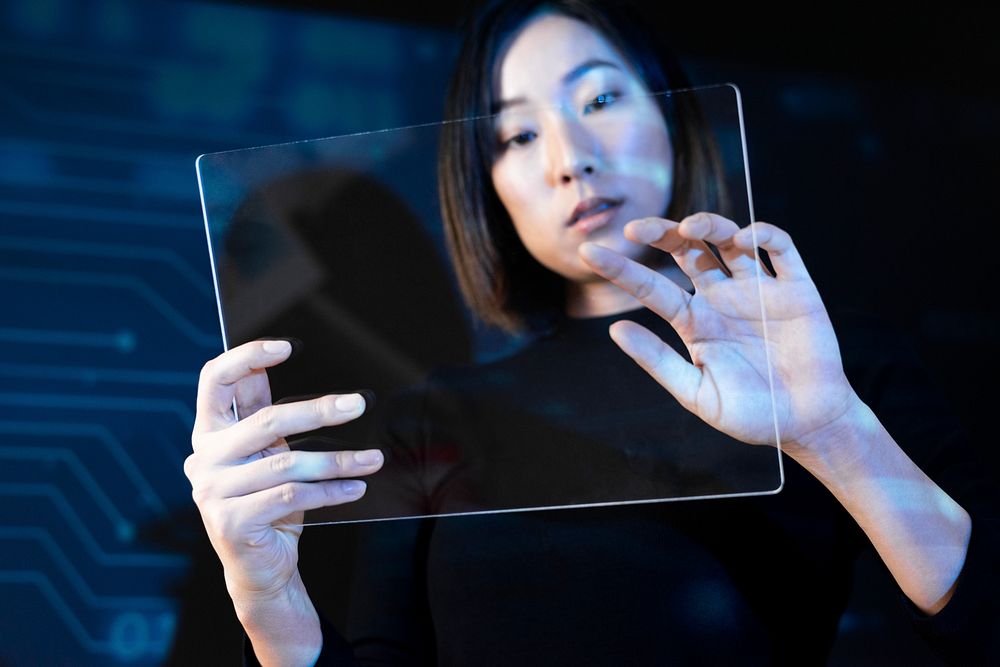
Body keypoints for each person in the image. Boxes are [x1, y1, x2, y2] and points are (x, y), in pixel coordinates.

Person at [184, 1, 996, 664]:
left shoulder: (824, 363)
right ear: (488, 186)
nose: (570, 158)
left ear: (673, 117)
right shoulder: (437, 417)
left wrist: (832, 432)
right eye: (518, 134)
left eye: (602, 98)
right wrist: (270, 604)